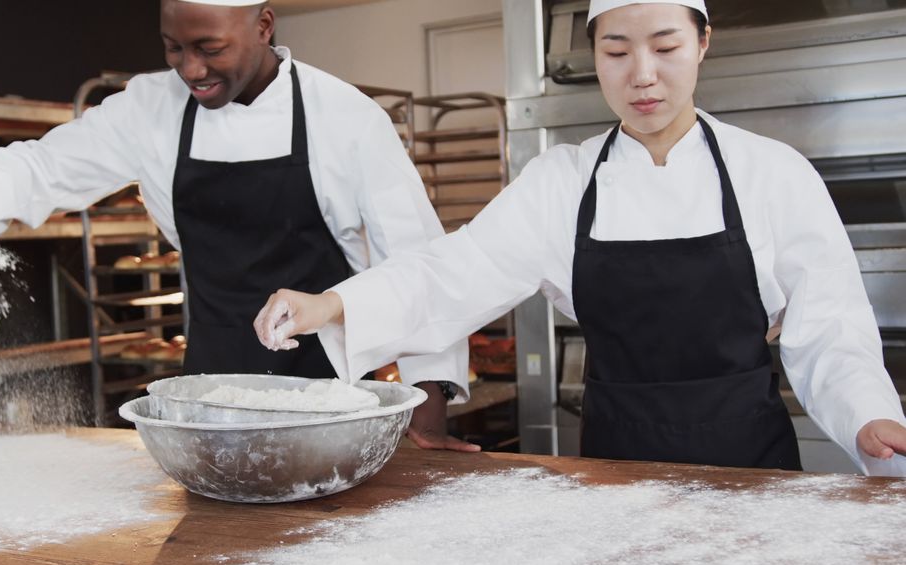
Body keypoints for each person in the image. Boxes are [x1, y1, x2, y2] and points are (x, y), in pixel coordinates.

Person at [255, 0, 906, 474]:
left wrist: (870, 418)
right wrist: (333, 304)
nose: (642, 74)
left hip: (750, 469)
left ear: (703, 41)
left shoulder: (771, 173)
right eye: (616, 52)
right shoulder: (562, 183)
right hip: (614, 472)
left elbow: (832, 328)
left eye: (666, 46)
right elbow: (456, 270)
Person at [0, 0, 475, 452]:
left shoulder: (346, 117)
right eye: (173, 48)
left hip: (334, 405)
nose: (190, 69)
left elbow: (417, 261)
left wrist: (427, 421)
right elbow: (46, 164)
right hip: (207, 399)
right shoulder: (150, 107)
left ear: (263, 26)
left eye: (210, 49)